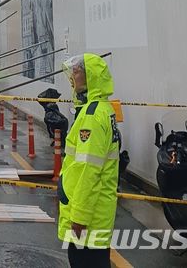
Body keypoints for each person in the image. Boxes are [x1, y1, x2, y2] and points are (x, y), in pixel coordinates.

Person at [57, 54, 120, 268]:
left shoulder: (91, 116)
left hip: (89, 218)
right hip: (97, 213)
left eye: (76, 72)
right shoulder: (101, 109)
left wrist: (80, 216)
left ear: (90, 76)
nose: (72, 77)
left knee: (85, 262)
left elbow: (88, 170)